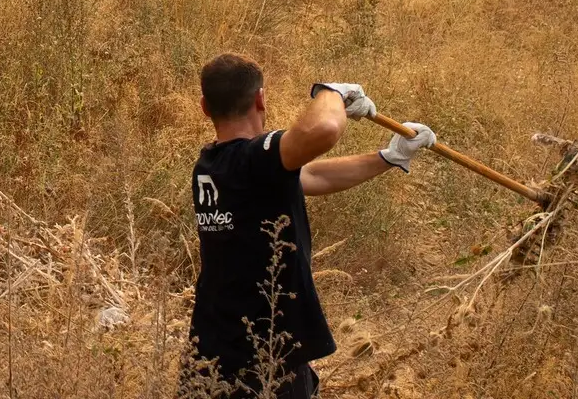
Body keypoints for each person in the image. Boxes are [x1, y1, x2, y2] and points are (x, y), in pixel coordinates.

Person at [181, 54, 437, 399]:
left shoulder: (212, 164)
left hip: (210, 346)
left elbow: (313, 174)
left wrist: (389, 157)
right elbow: (325, 129)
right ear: (260, 99)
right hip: (266, 353)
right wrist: (331, 93)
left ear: (204, 107)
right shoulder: (254, 159)